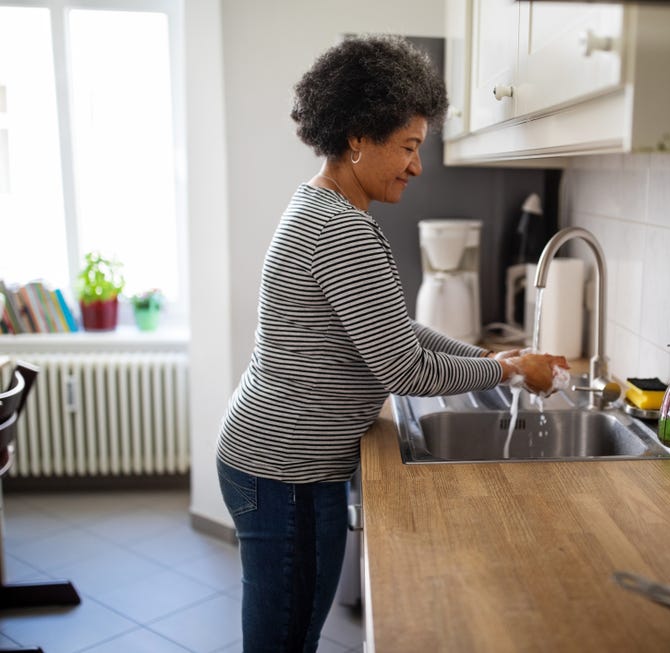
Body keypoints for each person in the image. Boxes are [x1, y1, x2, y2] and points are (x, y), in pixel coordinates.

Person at [215, 34, 568, 653]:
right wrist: (506, 372)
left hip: (272, 460)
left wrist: (490, 358)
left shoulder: (324, 207)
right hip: (286, 473)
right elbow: (404, 366)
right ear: (357, 136)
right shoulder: (341, 228)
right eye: (407, 147)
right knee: (285, 642)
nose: (416, 166)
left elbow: (393, 331)